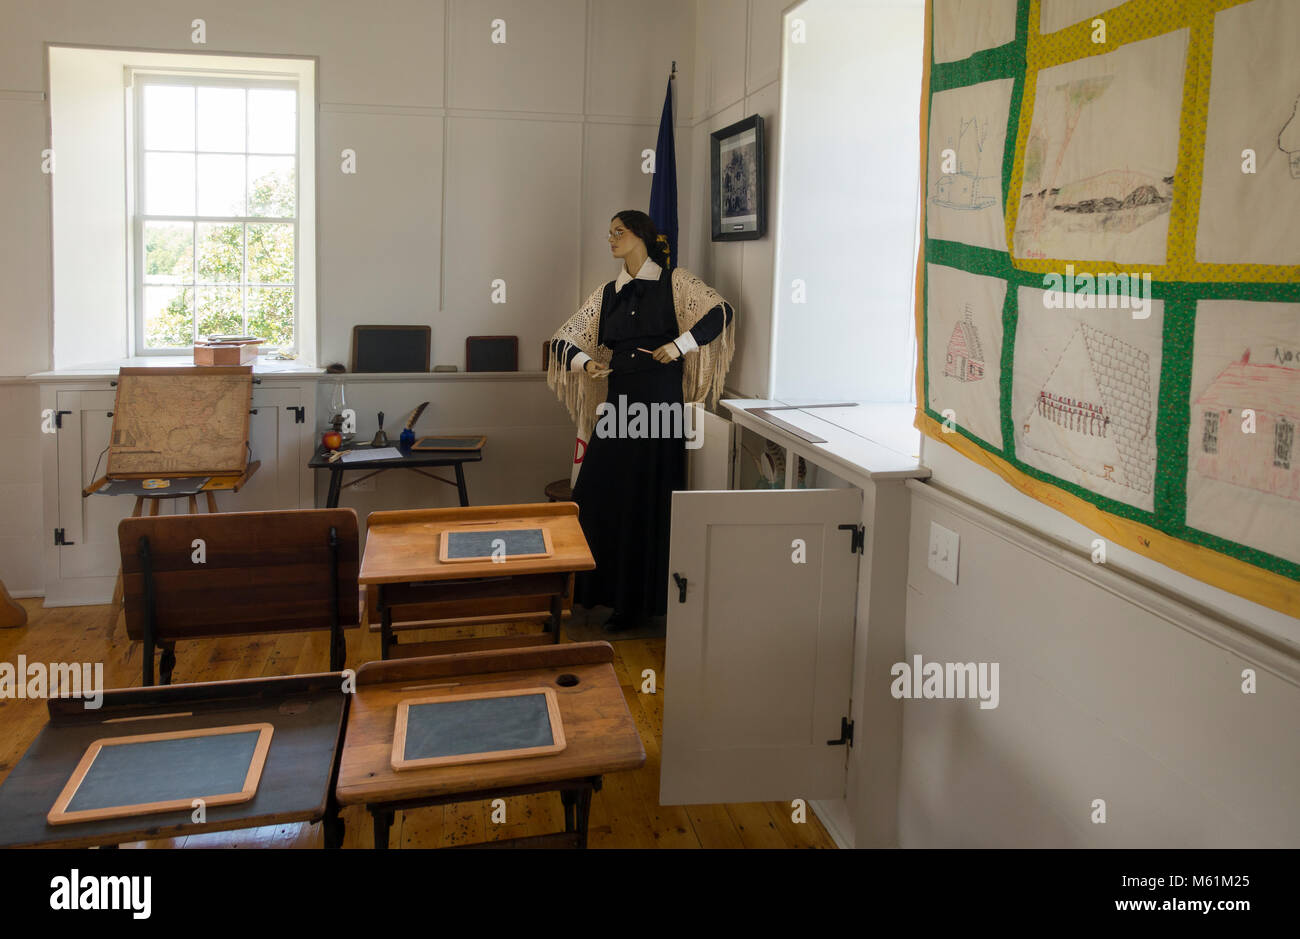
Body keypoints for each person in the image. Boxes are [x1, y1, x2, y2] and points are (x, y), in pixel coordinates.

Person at [548, 210, 736, 629]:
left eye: (620, 232)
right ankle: (593, 592)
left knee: (644, 499)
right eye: (609, 233)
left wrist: (679, 345)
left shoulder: (674, 281)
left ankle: (636, 604)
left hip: (660, 402)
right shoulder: (609, 292)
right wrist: (586, 365)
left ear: (642, 236)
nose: (611, 239)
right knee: (597, 493)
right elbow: (564, 339)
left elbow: (720, 312)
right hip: (619, 404)